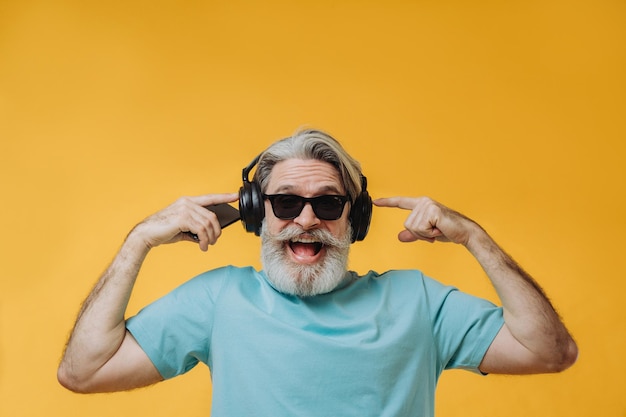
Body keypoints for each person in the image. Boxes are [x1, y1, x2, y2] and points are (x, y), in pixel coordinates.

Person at [58, 129, 577, 416]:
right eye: (285, 203)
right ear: (259, 216)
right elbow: (82, 373)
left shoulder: (418, 301)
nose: (306, 221)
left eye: (328, 205)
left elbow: (551, 352)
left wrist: (474, 238)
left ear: (356, 220)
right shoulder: (219, 299)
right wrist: (139, 240)